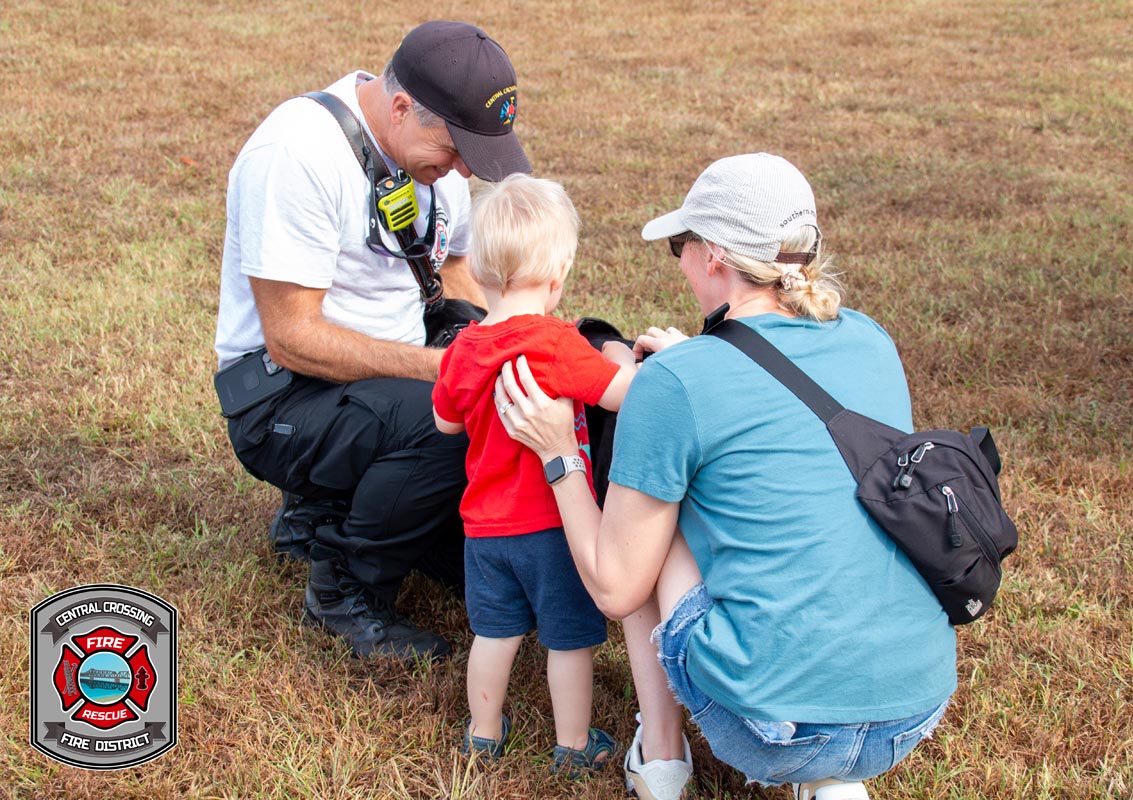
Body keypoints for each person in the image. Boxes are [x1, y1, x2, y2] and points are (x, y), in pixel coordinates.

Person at [493, 153, 957, 800]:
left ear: (713, 256)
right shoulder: (872, 339)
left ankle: (661, 755)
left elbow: (615, 589)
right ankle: (833, 783)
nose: (679, 261)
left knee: (656, 515)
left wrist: (558, 456)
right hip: (914, 708)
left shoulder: (676, 383)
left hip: (777, 728)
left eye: (680, 246)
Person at [213, 20, 531, 662]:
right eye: (459, 147)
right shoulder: (296, 157)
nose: (465, 168)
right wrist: (445, 369)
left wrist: (493, 337)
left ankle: (330, 510)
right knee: (450, 420)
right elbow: (292, 339)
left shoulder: (434, 160)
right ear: (401, 107)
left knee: (498, 390)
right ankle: (343, 590)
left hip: (378, 378)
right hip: (281, 397)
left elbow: (452, 269)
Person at [431, 174, 637, 774]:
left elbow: (445, 424)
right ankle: (574, 744)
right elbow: (623, 395)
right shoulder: (558, 343)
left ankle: (483, 732)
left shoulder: (465, 349)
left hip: (484, 529)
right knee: (568, 639)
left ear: (485, 274)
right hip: (552, 526)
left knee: (494, 635)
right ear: (557, 278)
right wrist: (627, 358)